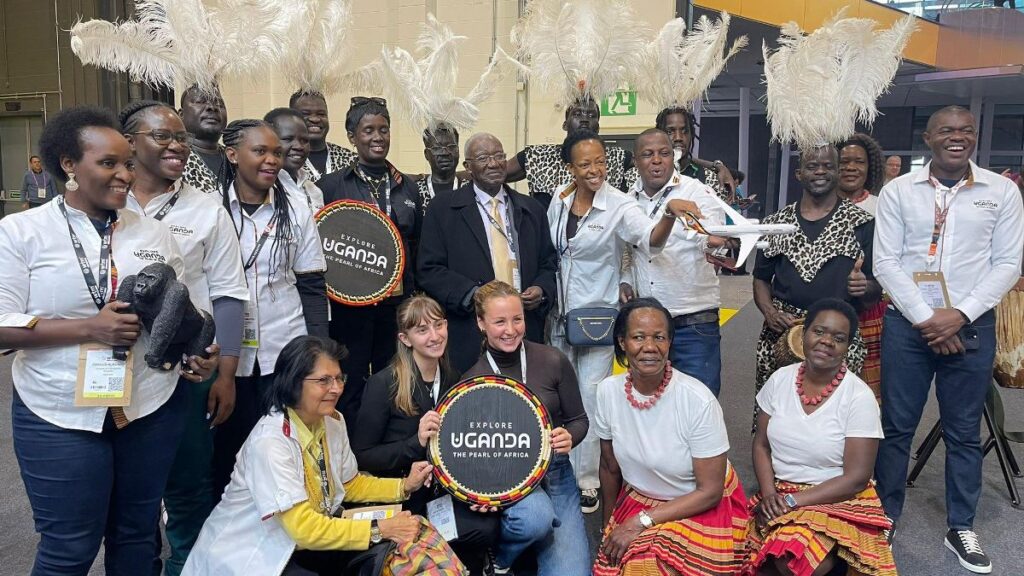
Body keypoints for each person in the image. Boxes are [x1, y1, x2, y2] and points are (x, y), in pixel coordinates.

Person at [0, 106, 217, 574]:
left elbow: (181, 311)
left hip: (150, 406)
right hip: (57, 413)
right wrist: (89, 329)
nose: (124, 175)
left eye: (127, 164)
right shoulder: (22, 232)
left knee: (138, 538)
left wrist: (195, 351)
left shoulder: (155, 234)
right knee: (69, 547)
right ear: (68, 165)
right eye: (108, 164)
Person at [873, 106, 1024, 574]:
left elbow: (1007, 264)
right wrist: (927, 319)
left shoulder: (1001, 192)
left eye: (966, 131)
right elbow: (886, 262)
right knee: (897, 427)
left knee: (963, 432)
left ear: (974, 137)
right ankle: (885, 516)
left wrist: (957, 315)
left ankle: (962, 526)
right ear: (928, 138)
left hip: (971, 324)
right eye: (947, 131)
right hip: (907, 325)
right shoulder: (899, 191)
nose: (957, 137)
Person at [184, 335, 465, 576]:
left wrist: (404, 486)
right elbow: (304, 528)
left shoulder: (332, 421)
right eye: (323, 380)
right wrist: (381, 528)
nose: (336, 388)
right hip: (253, 557)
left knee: (414, 537)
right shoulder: (270, 442)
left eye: (339, 378)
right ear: (293, 382)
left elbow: (350, 483)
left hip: (303, 545)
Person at [119, 100, 250, 576]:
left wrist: (227, 373)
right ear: (129, 142)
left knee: (189, 490)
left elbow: (230, 294)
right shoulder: (107, 201)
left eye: (180, 137)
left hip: (187, 371)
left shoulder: (205, 208)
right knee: (130, 498)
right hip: (113, 371)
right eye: (162, 136)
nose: (177, 144)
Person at [547, 129, 703, 513]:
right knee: (556, 396)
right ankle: (553, 471)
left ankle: (586, 482)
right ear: (571, 168)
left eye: (600, 161)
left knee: (589, 396)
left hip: (598, 317)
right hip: (558, 317)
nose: (594, 169)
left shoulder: (618, 205)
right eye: (585, 164)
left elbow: (650, 240)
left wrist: (668, 213)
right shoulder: (560, 198)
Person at [211, 119, 329, 501]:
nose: (272, 160)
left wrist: (318, 351)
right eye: (260, 151)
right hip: (227, 352)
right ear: (232, 154)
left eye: (276, 152)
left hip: (284, 346)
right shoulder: (211, 209)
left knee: (285, 446)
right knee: (228, 450)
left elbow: (311, 283)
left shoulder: (295, 207)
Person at [593, 298, 747, 576]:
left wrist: (640, 522)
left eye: (659, 337)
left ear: (669, 343)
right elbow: (609, 467)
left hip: (698, 505)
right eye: (638, 337)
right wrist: (609, 526)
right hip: (640, 498)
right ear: (622, 342)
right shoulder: (607, 392)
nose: (649, 347)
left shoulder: (697, 399)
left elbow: (710, 492)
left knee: (647, 569)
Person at [743, 298, 895, 576]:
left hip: (836, 497)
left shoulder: (859, 397)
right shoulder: (779, 380)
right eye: (819, 331)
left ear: (848, 347)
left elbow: (856, 478)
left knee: (793, 559)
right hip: (779, 491)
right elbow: (762, 445)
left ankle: (837, 557)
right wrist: (768, 494)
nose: (826, 341)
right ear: (804, 333)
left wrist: (792, 503)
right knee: (734, 556)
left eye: (838, 337)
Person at [351, 295, 500, 575]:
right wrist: (415, 443)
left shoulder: (452, 377)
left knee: (487, 524)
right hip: (402, 498)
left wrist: (477, 493)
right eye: (422, 330)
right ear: (405, 338)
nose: (435, 336)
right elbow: (362, 457)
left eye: (439, 325)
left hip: (442, 495)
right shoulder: (384, 384)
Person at [462, 280, 591, 576]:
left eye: (517, 319)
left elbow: (579, 420)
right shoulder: (472, 381)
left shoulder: (552, 360)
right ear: (481, 323)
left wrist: (570, 436)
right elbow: (468, 452)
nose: (511, 330)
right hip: (507, 479)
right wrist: (481, 490)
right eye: (499, 322)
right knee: (535, 518)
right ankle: (502, 557)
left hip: (555, 472)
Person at [752, 145, 880, 429]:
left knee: (835, 414)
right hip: (783, 333)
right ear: (799, 174)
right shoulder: (776, 224)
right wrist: (769, 312)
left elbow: (876, 287)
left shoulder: (862, 223)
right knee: (776, 414)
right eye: (812, 166)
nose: (820, 172)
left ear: (837, 172)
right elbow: (760, 278)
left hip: (839, 333)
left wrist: (865, 286)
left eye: (827, 166)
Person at [316, 97, 422, 432]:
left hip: (396, 307)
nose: (377, 137)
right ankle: (349, 454)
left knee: (396, 381)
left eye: (384, 130)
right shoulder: (331, 186)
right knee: (350, 382)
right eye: (368, 130)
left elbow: (417, 245)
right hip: (350, 308)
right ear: (351, 136)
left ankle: (389, 448)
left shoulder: (409, 187)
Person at [417, 132, 558, 373]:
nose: (493, 163)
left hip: (524, 328)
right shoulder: (443, 209)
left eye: (499, 156)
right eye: (483, 158)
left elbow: (549, 263)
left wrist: (542, 289)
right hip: (470, 330)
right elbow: (429, 270)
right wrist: (473, 294)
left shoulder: (531, 208)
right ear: (468, 167)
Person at [620, 128, 728, 396]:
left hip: (693, 323)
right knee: (651, 406)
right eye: (648, 154)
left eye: (664, 153)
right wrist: (624, 280)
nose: (657, 160)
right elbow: (628, 251)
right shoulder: (627, 202)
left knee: (699, 402)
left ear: (674, 158)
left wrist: (716, 244)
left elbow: (711, 237)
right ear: (636, 161)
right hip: (648, 327)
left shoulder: (697, 192)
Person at [505, 97, 633, 208]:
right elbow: (496, 175)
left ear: (598, 126)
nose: (584, 120)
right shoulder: (537, 156)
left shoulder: (618, 157)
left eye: (591, 115)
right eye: (577, 114)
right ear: (565, 124)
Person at [837, 133, 887, 400]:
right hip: (824, 308)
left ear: (870, 168)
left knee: (867, 394)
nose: (850, 167)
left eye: (859, 162)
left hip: (868, 311)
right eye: (843, 161)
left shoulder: (882, 208)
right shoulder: (818, 205)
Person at [623, 107, 737, 202]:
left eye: (684, 131)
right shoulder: (633, 176)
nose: (678, 138)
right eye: (670, 131)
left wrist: (718, 166)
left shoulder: (710, 178)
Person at [265, 107, 324, 213]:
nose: (299, 146)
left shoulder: (314, 191)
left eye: (304, 140)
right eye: (288, 139)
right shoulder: (261, 189)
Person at [290, 90, 357, 182]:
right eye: (305, 114)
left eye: (321, 114)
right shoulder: (284, 161)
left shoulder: (351, 160)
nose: (315, 119)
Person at [179, 85, 228, 195]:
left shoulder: (235, 158)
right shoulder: (175, 158)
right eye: (200, 101)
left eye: (219, 104)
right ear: (181, 115)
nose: (212, 107)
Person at [416, 123, 465, 214]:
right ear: (426, 154)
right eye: (437, 148)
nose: (445, 152)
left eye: (451, 147)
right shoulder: (414, 191)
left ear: (458, 151)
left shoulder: (469, 189)